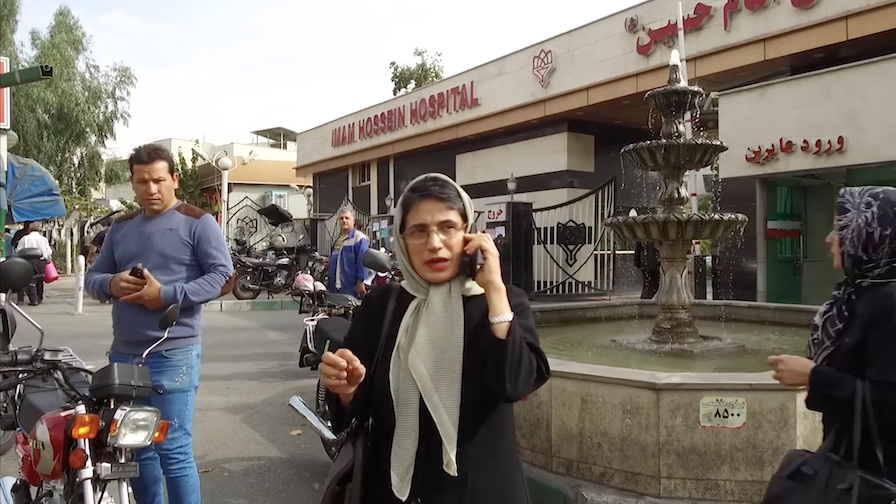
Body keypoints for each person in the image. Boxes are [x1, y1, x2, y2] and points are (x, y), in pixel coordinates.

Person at [320, 173, 551, 503]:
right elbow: (353, 408)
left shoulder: (502, 302)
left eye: (447, 228)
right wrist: (346, 388)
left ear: (468, 234)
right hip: (390, 492)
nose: (434, 243)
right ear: (402, 240)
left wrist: (495, 290)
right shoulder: (382, 306)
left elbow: (513, 384)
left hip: (481, 491)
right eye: (419, 231)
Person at [85, 143, 233, 504]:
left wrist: (165, 295)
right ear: (133, 184)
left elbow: (222, 276)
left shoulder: (197, 222)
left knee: (172, 449)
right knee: (136, 450)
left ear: (174, 179)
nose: (150, 189)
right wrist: (112, 283)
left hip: (173, 355)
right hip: (124, 356)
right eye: (142, 182)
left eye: (158, 180)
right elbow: (93, 277)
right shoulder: (121, 228)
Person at [768, 185, 896, 483]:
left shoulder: (889, 305)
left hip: (877, 478)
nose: (830, 239)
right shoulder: (858, 294)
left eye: (840, 229)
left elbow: (889, 405)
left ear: (869, 233)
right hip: (848, 464)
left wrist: (814, 376)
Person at [327, 207, 370, 297]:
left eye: (347, 218)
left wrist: (360, 282)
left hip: (350, 287)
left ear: (353, 221)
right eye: (341, 218)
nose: (344, 221)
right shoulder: (337, 240)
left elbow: (362, 262)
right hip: (334, 286)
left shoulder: (359, 238)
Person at [15, 221, 53, 306]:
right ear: (39, 229)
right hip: (40, 261)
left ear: (29, 229)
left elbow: (18, 251)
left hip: (27, 261)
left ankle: (33, 299)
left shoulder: (24, 239)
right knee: (40, 279)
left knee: (30, 280)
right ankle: (39, 298)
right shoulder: (43, 239)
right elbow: (48, 251)